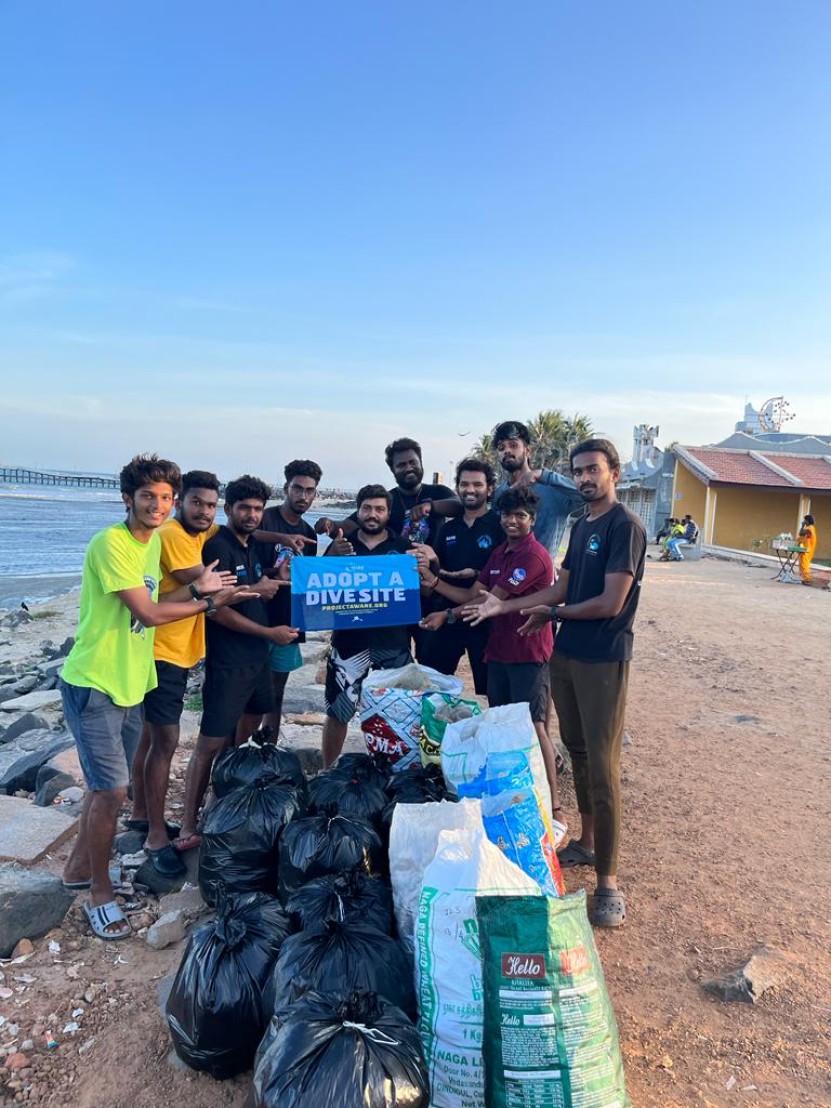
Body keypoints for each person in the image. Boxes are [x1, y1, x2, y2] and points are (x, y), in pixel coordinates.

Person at [59, 455, 253, 938]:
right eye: (149, 496)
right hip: (95, 683)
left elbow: (160, 602)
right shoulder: (112, 544)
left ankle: (77, 870)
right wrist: (207, 601)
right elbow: (147, 613)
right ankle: (99, 894)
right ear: (128, 498)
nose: (159, 506)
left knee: (105, 787)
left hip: (130, 682)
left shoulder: (149, 546)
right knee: (112, 791)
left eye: (166, 497)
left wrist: (199, 592)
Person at [464, 438, 646, 929]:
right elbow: (562, 584)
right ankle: (586, 843)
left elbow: (610, 602)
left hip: (603, 657)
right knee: (579, 751)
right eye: (578, 471)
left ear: (614, 473)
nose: (585, 478)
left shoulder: (623, 526)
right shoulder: (584, 522)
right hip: (565, 652)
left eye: (593, 470)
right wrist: (512, 606)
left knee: (604, 767)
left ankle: (607, 882)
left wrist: (553, 611)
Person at [415, 485, 563, 826]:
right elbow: (472, 594)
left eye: (520, 516)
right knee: (500, 724)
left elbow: (489, 601)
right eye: (508, 515)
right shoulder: (499, 554)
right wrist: (435, 583)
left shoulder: (532, 555)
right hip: (499, 652)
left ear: (533, 519)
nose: (513, 521)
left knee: (534, 726)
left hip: (528, 653)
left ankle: (555, 808)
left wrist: (448, 615)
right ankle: (511, 798)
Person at [175, 476, 294, 853]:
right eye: (244, 508)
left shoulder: (248, 546)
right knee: (209, 743)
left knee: (247, 729)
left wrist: (274, 580)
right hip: (229, 662)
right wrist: (267, 631)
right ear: (228, 510)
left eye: (258, 509)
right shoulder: (218, 548)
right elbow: (217, 609)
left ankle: (221, 797)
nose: (252, 515)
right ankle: (188, 824)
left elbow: (256, 586)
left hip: (256, 660)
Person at [128, 469, 224, 879]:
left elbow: (233, 526)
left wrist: (281, 537)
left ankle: (138, 812)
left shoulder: (199, 532)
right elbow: (207, 584)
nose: (204, 512)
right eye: (196, 503)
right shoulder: (171, 536)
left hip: (179, 651)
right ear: (180, 501)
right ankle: (154, 835)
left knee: (151, 736)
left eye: (211, 505)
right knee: (166, 740)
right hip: (163, 651)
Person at [320, 484, 417, 767]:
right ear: (358, 510)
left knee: (397, 713)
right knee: (338, 712)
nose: (372, 514)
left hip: (393, 644)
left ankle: (395, 772)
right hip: (349, 644)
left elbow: (421, 591)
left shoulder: (403, 548)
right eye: (366, 508)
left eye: (379, 509)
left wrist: (424, 565)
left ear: (388, 513)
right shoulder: (342, 545)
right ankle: (327, 771)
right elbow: (318, 587)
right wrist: (330, 557)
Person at [416, 457, 503, 695]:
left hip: (485, 621)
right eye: (464, 484)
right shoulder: (448, 529)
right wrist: (428, 562)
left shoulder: (500, 526)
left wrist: (475, 574)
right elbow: (434, 575)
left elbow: (500, 585)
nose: (470, 490)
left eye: (477, 484)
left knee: (492, 694)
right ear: (458, 488)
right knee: (432, 689)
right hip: (445, 619)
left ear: (490, 488)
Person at [258, 460, 322, 737]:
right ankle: (233, 754)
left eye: (310, 491)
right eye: (298, 488)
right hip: (255, 619)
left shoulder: (309, 534)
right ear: (286, 488)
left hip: (288, 620)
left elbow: (307, 579)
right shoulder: (264, 518)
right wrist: (281, 538)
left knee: (276, 689)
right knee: (246, 690)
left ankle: (268, 747)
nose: (303, 496)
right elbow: (244, 537)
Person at [315, 437, 460, 547]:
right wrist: (331, 525)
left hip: (431, 569)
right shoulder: (386, 500)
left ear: (420, 463)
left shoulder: (439, 492)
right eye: (401, 465)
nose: (408, 468)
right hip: (395, 570)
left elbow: (459, 506)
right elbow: (353, 523)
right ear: (393, 470)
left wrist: (430, 506)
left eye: (412, 462)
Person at [492, 420, 582, 558]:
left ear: (528, 451)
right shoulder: (499, 494)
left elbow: (586, 495)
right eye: (501, 447)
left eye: (513, 445)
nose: (507, 451)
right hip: (505, 575)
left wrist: (543, 475)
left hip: (541, 575)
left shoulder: (553, 489)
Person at [798, 514, 817, 585]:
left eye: (805, 520)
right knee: (803, 564)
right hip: (805, 548)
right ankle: (805, 579)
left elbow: (801, 533)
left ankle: (808, 579)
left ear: (808, 521)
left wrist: (802, 526)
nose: (804, 521)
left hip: (807, 550)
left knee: (804, 564)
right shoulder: (809, 527)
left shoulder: (810, 528)